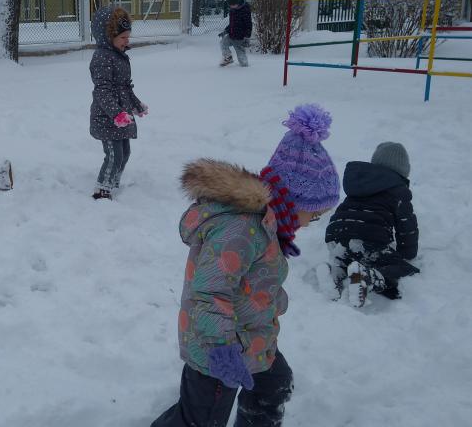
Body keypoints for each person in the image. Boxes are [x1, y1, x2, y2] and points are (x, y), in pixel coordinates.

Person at [152, 104, 339, 427]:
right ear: (292, 201)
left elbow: (257, 278)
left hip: (251, 338)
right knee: (200, 420)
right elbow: (209, 292)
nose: (312, 222)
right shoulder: (240, 229)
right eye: (315, 213)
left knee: (274, 384)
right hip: (216, 348)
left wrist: (272, 302)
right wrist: (222, 350)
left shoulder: (267, 225)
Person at [324, 142, 419, 307]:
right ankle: (367, 277)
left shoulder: (361, 182)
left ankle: (335, 273)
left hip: (336, 233)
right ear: (403, 170)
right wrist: (407, 253)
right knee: (401, 268)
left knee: (350, 257)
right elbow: (406, 226)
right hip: (368, 236)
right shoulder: (399, 190)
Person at [88, 6, 149, 201]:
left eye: (128, 37)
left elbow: (125, 87)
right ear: (109, 36)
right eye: (123, 37)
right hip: (107, 117)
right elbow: (102, 91)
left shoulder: (119, 55)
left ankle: (113, 182)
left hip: (121, 116)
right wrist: (116, 114)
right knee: (114, 155)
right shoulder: (102, 57)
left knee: (125, 153)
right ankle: (102, 190)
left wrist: (136, 104)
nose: (127, 41)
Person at [219, 0, 252, 67]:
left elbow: (248, 25)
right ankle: (228, 57)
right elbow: (232, 24)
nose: (231, 6)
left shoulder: (245, 11)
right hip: (231, 35)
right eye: (230, 5)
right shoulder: (233, 10)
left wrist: (247, 37)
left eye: (233, 5)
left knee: (240, 53)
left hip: (240, 38)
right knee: (223, 43)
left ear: (238, 2)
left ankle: (245, 66)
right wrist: (226, 31)